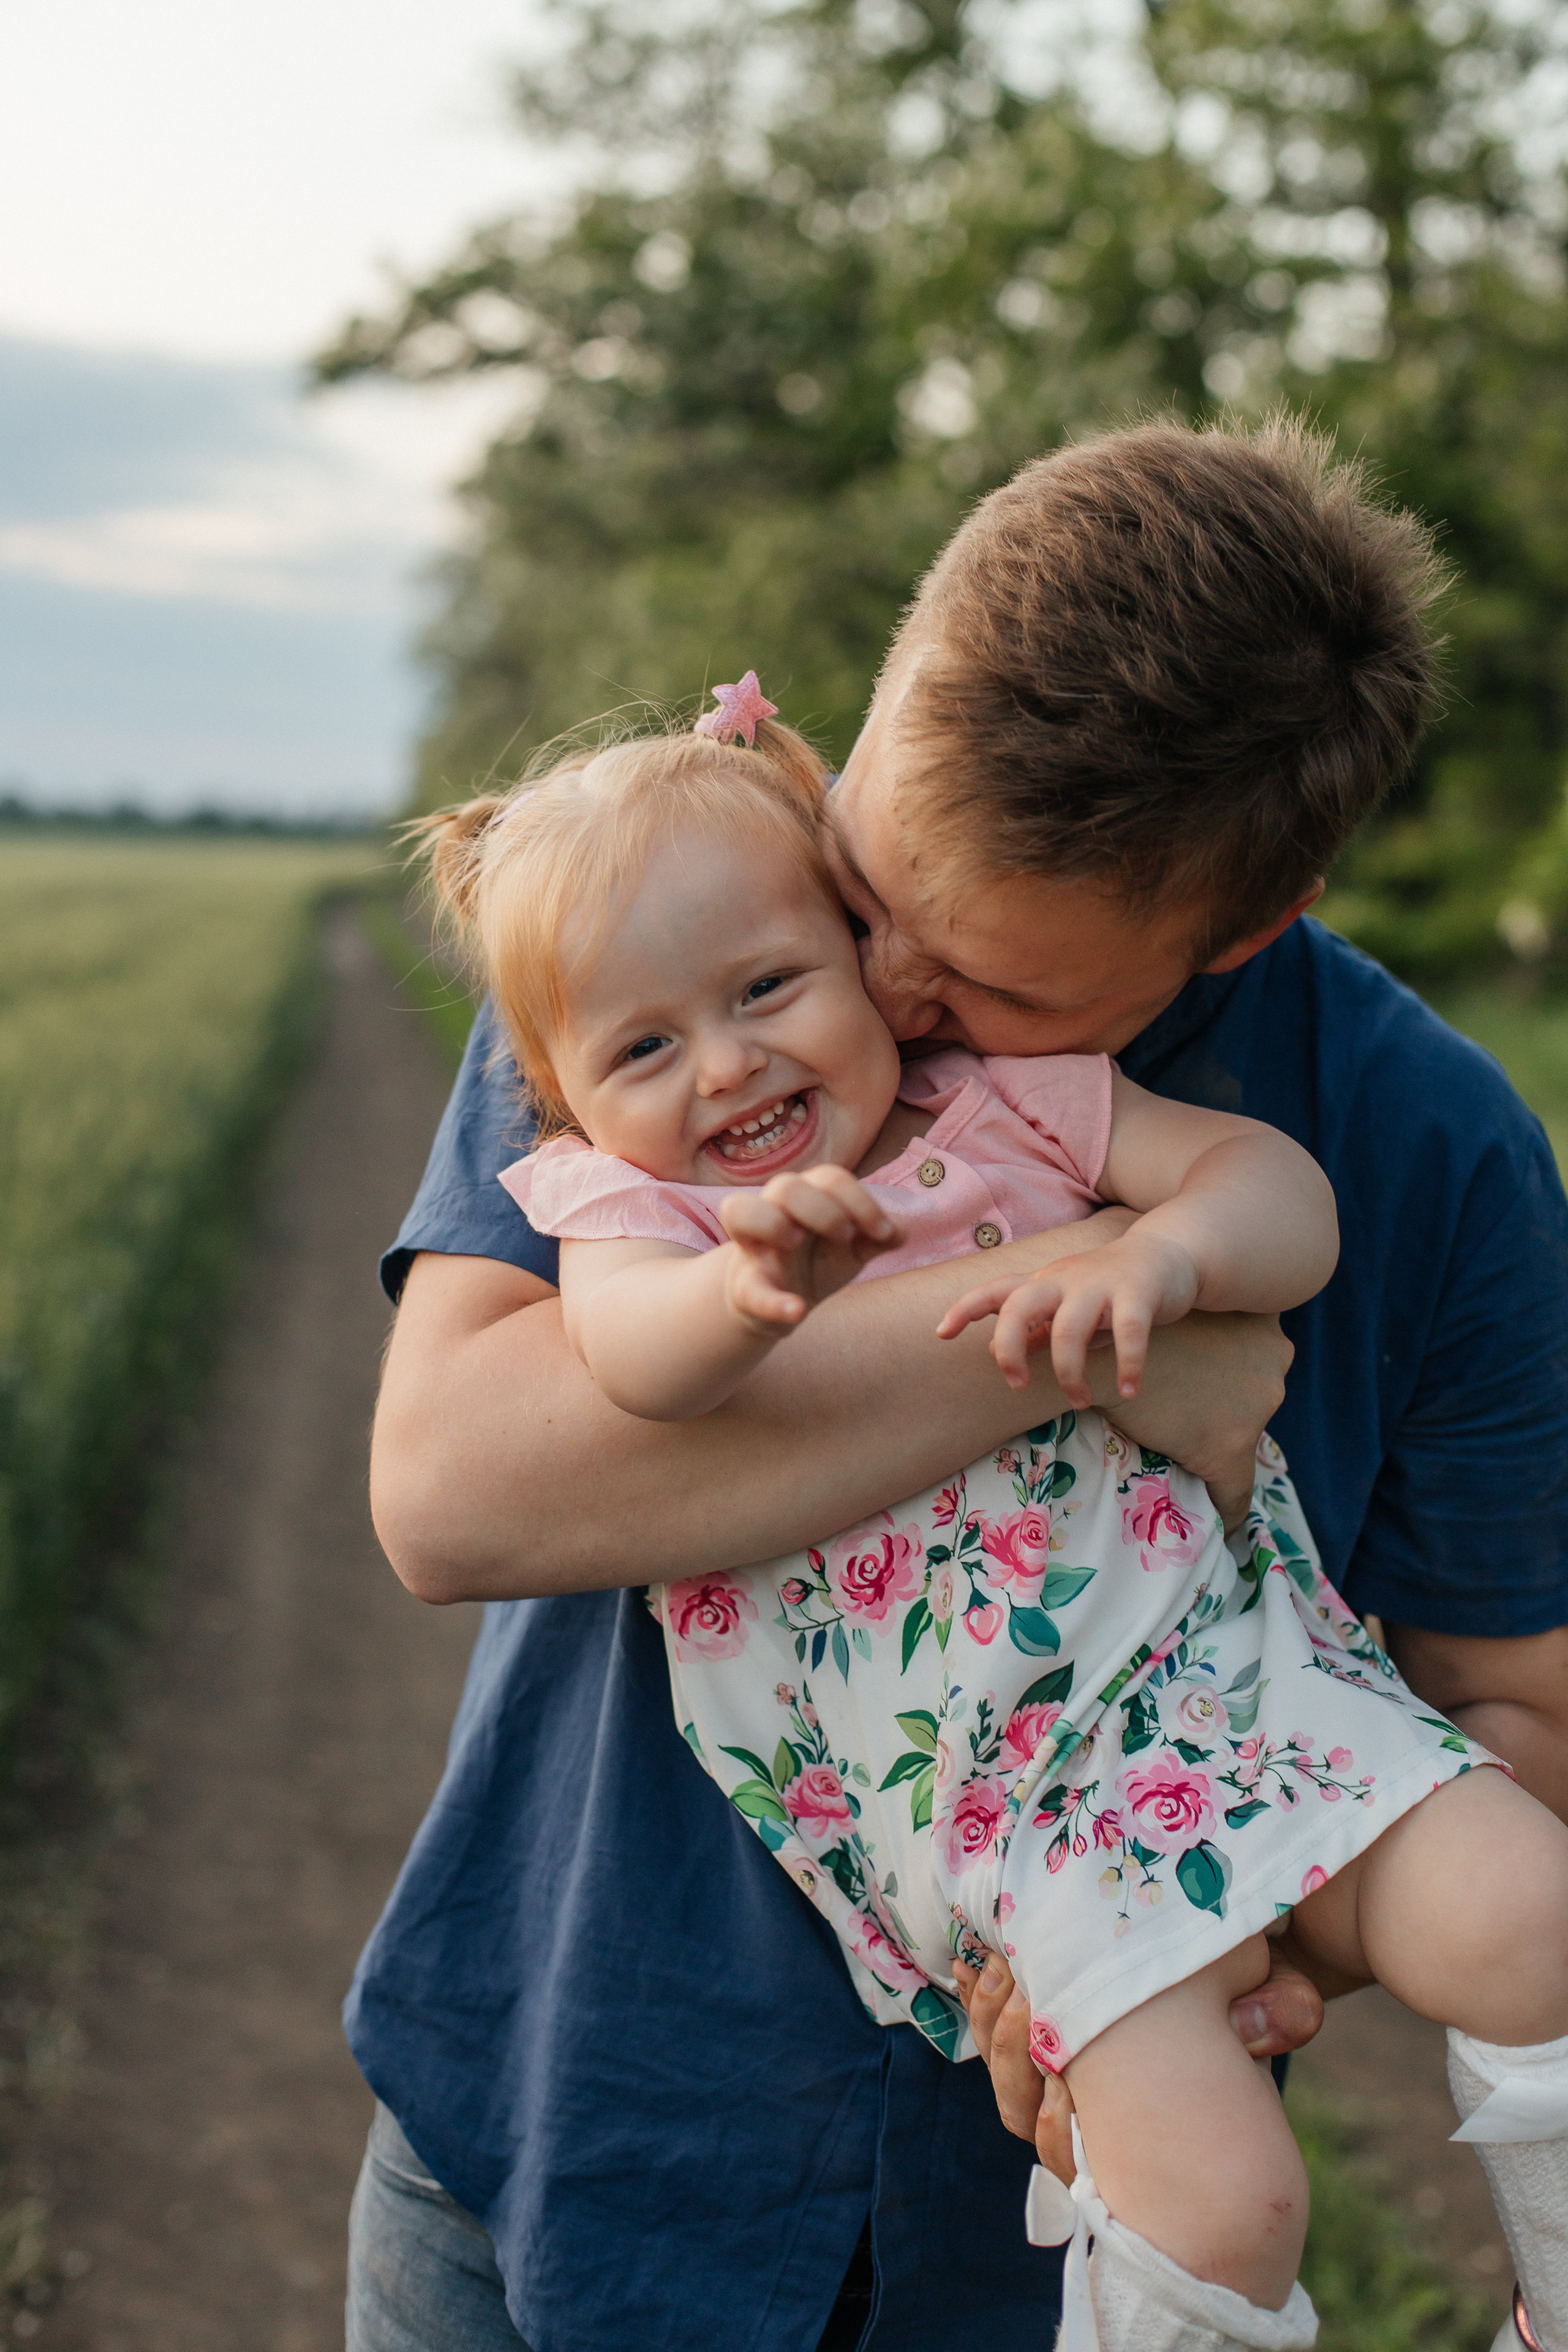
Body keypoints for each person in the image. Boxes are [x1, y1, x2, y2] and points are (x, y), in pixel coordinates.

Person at [347, 420, 1568, 2352]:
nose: (882, 986)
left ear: (1238, 930)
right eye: (871, 882)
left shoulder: (1439, 1153)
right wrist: (1072, 1336)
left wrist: (1244, 1923)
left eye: (990, 981)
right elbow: (454, 1492)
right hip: (564, 2109)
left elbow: (1513, 1702)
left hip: (1031, 2230)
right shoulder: (680, 922)